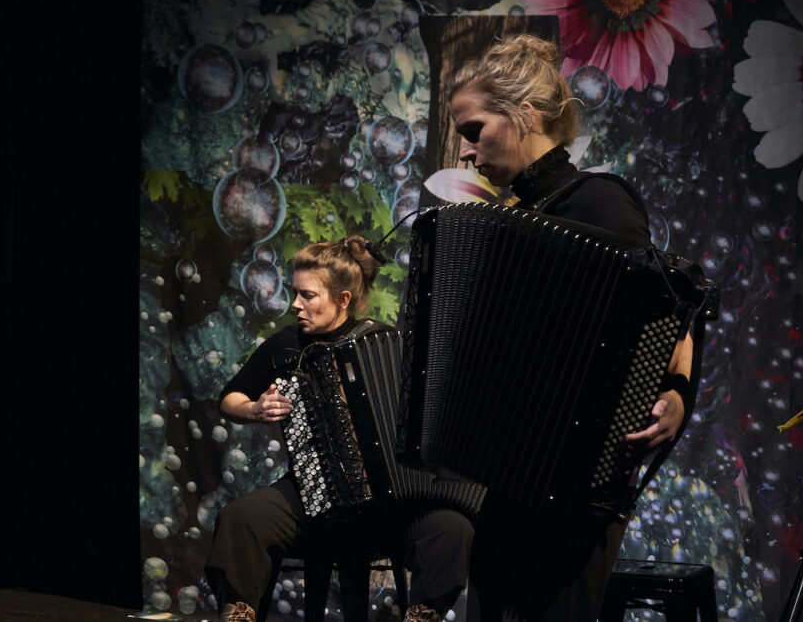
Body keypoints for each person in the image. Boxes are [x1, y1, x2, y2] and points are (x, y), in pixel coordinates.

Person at [446, 33, 696, 621]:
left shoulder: (599, 203)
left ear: (524, 115)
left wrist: (678, 394)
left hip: (575, 492)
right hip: (511, 487)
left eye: (473, 129)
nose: (463, 151)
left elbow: (666, 318)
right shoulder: (512, 218)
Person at [205, 235, 474, 622]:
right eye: (295, 293)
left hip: (388, 504)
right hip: (309, 490)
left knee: (452, 529)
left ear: (342, 299)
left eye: (308, 295)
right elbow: (229, 398)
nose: (295, 304)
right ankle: (239, 614)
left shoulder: (384, 342)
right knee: (239, 518)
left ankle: (424, 614)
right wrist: (255, 408)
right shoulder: (286, 345)